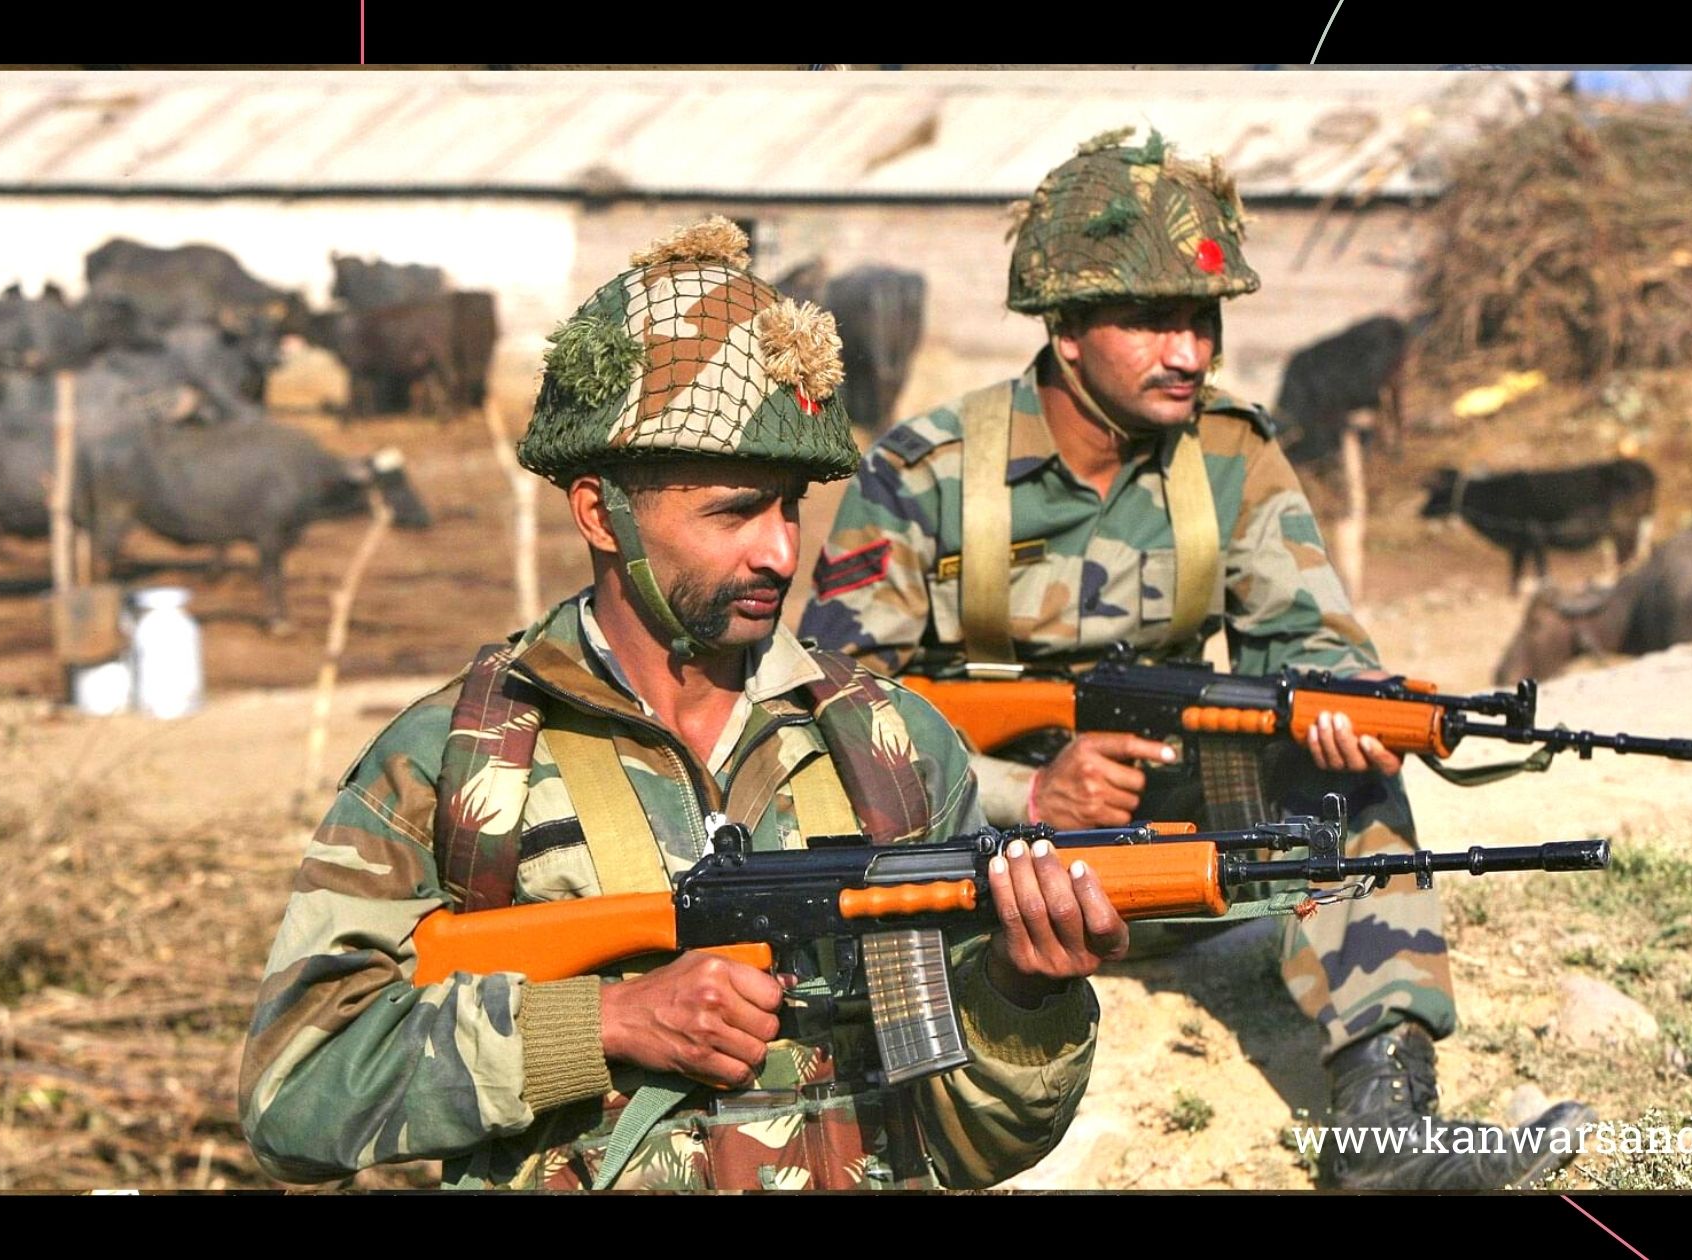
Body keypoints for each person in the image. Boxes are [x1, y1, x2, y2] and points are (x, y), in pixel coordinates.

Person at [238, 218, 1127, 1191]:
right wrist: (608, 1024)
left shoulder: (890, 743)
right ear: (598, 512)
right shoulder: (456, 761)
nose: (782, 553)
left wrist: (1021, 995)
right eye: (733, 512)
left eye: (788, 506)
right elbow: (294, 1092)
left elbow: (971, 1146)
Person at [799, 130, 1593, 1189]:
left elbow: (1307, 629)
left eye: (1202, 320)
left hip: (1176, 850)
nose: (1188, 352)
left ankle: (1385, 1121)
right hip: (986, 869)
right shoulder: (921, 473)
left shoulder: (1228, 452)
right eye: (1151, 319)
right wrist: (1024, 789)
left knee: (1346, 772)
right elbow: (831, 712)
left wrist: (1335, 699)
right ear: (1065, 327)